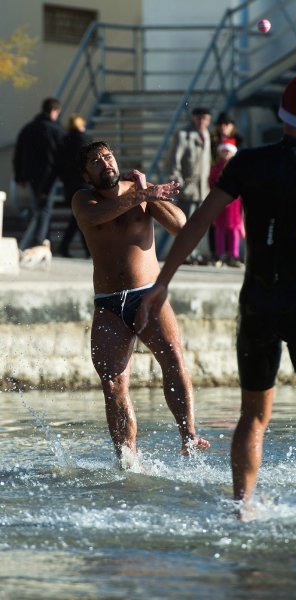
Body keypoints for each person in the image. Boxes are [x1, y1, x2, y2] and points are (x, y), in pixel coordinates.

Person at [136, 74, 296, 523]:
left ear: (279, 114)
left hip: (257, 302)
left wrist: (163, 280)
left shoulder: (247, 162)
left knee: (253, 416)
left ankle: (242, 505)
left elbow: (200, 221)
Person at [72, 141, 209, 466]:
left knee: (174, 360)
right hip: (108, 304)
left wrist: (147, 193)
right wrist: (141, 195)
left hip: (148, 293)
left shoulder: (140, 191)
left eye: (107, 156)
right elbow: (98, 216)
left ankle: (188, 437)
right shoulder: (84, 200)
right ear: (86, 174)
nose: (103, 162)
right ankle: (127, 456)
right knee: (113, 382)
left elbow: (181, 227)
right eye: (94, 160)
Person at [13, 97, 64, 250]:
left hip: (31, 175)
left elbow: (18, 153)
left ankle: (42, 240)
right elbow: (61, 155)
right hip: (49, 175)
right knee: (45, 209)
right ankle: (40, 241)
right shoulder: (57, 131)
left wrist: (19, 176)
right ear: (54, 111)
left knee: (39, 207)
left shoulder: (28, 128)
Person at [167, 107, 212, 264]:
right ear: (193, 118)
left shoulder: (206, 135)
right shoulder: (183, 135)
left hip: (202, 189)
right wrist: (179, 184)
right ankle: (184, 254)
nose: (202, 122)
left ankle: (195, 253)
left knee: (199, 223)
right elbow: (174, 162)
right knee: (184, 224)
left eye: (205, 119)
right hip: (188, 188)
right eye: (199, 118)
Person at [57, 114, 92, 258]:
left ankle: (69, 247)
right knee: (81, 216)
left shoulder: (64, 140)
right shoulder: (84, 140)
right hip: (82, 183)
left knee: (78, 217)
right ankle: (86, 250)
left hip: (69, 184)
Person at [209, 139, 244, 267]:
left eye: (228, 151)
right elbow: (211, 182)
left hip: (234, 205)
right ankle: (220, 255)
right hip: (219, 203)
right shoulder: (216, 168)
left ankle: (234, 255)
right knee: (220, 229)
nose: (226, 154)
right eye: (224, 151)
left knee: (233, 230)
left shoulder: (237, 167)